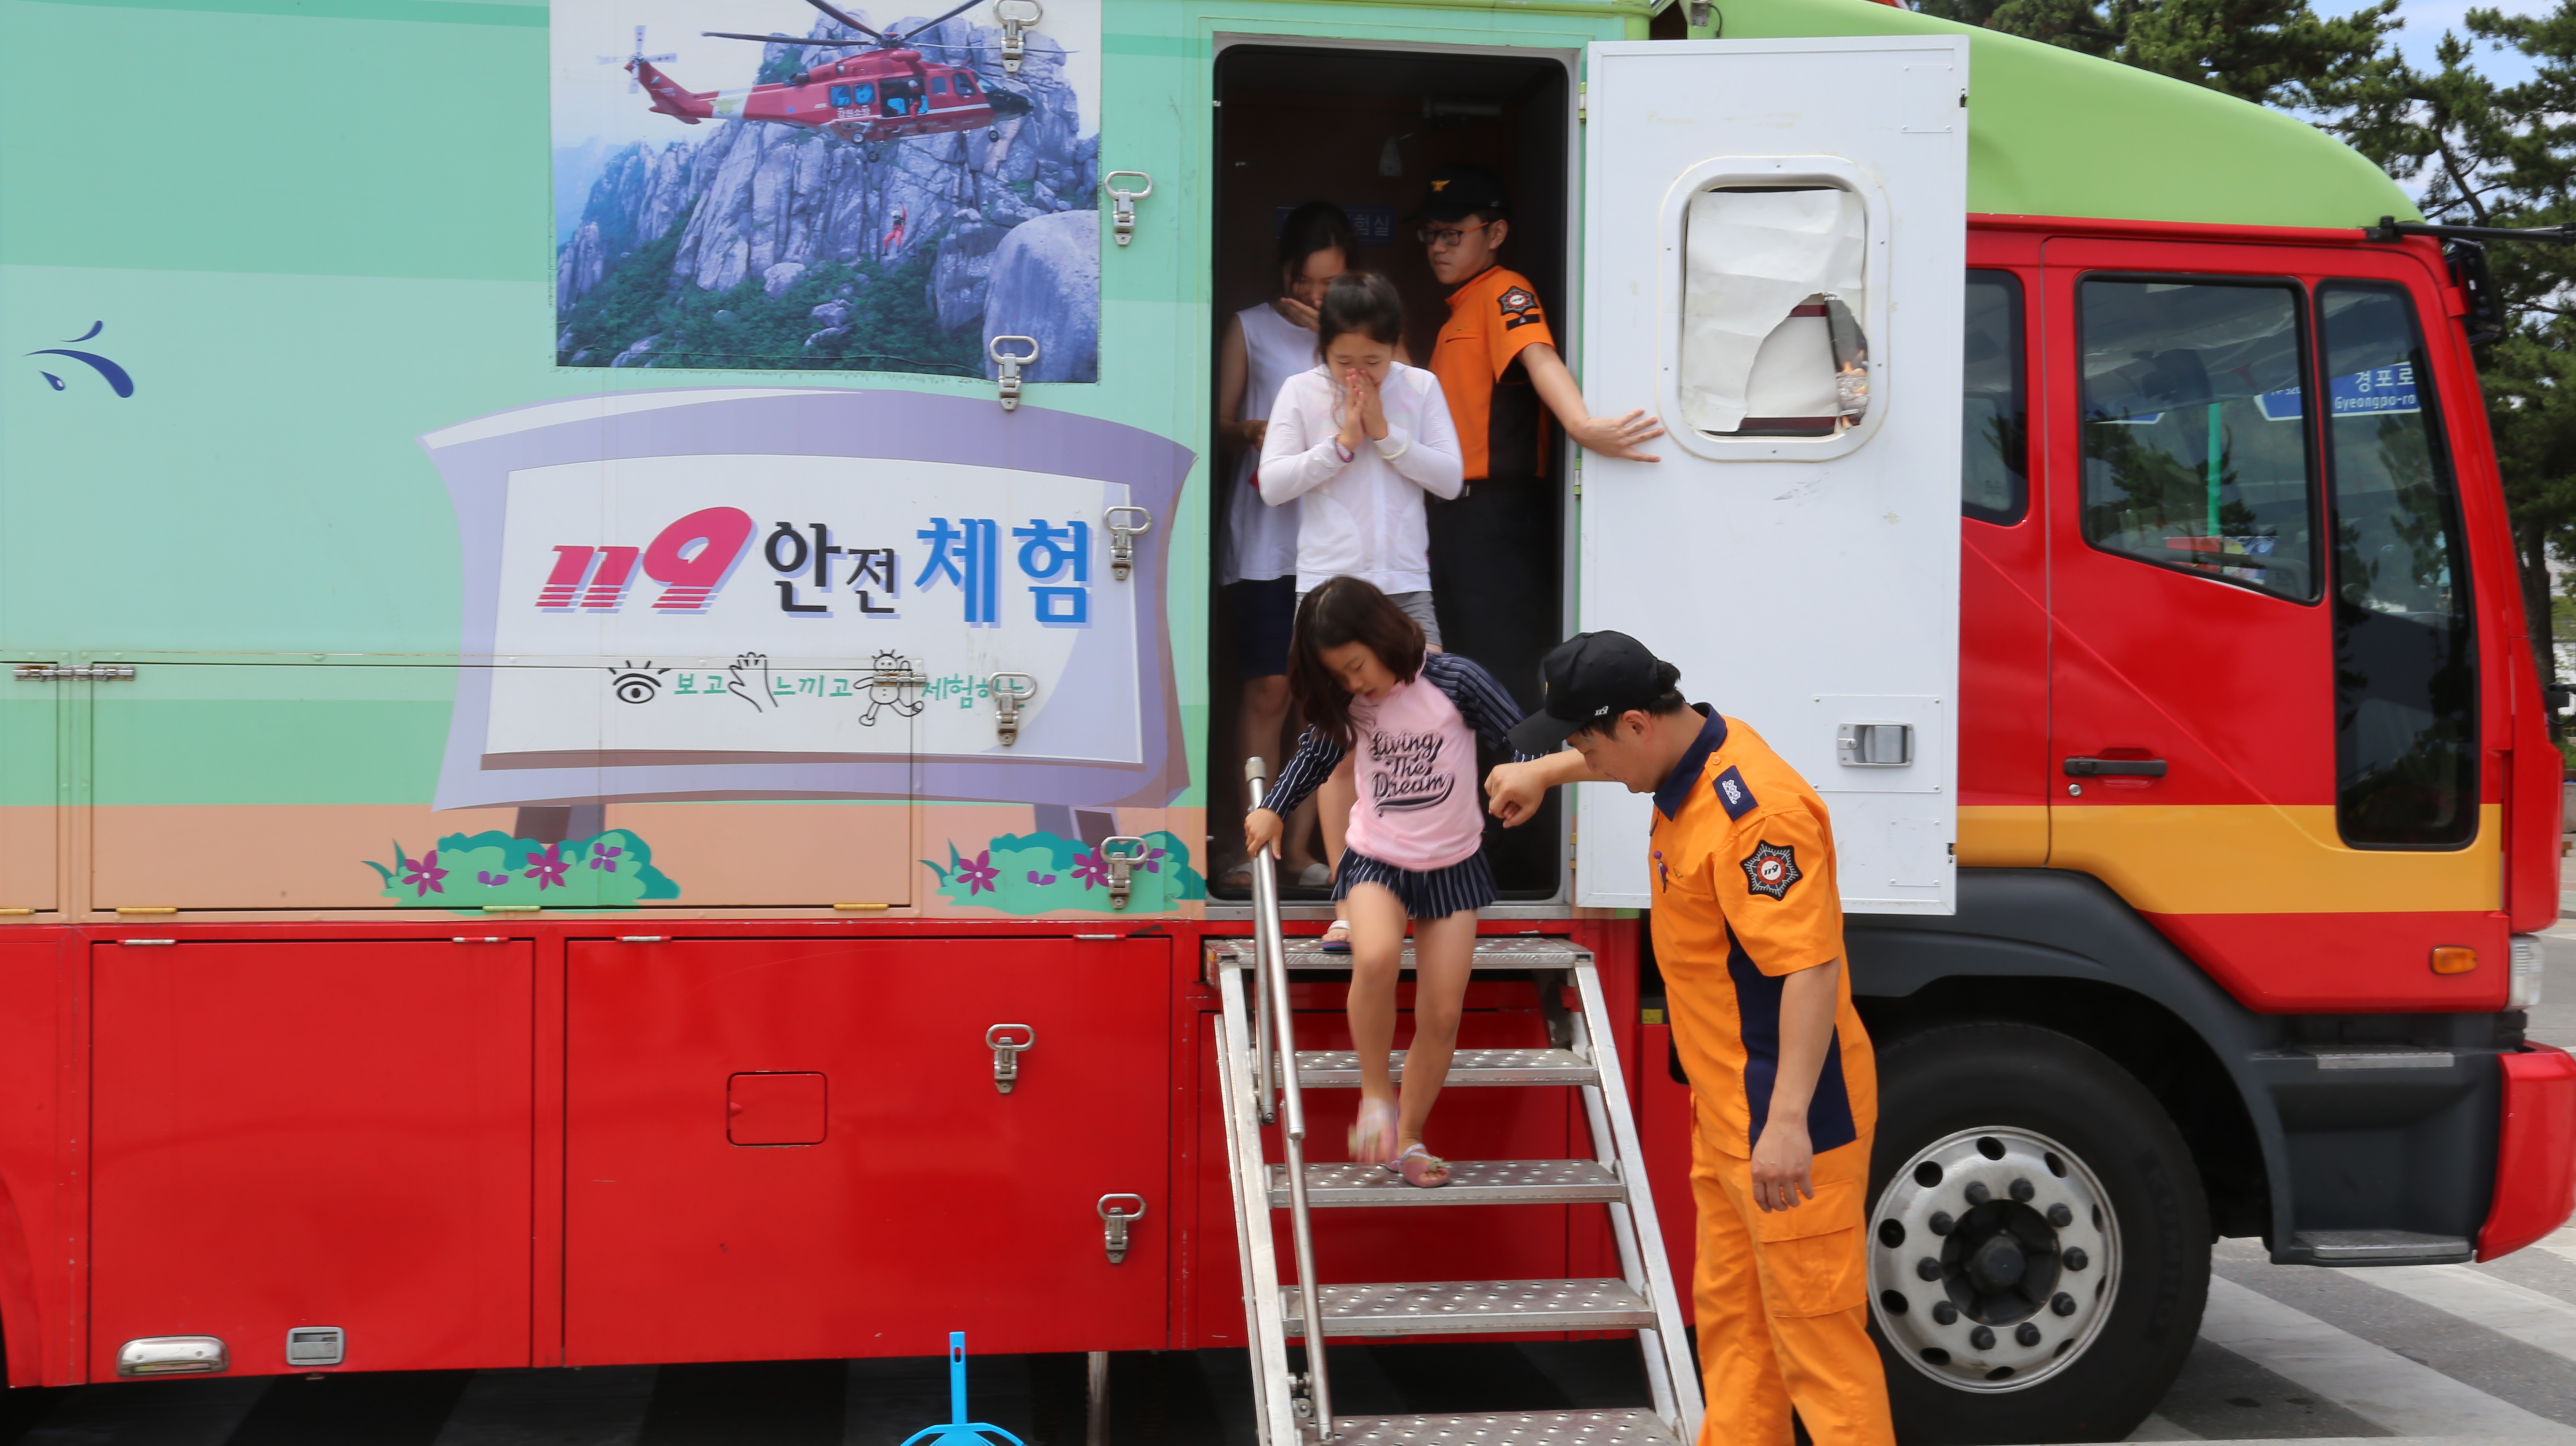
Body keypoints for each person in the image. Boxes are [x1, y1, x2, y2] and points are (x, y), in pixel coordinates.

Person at [1483, 632, 1893, 1446]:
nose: (1587, 762)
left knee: (1819, 1350)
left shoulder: (1755, 817)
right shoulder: (1693, 758)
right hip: (1730, 1112)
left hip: (1789, 1118)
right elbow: (1627, 756)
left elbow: (1809, 969)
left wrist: (1786, 1124)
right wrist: (1546, 771)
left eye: (1586, 746)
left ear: (1636, 724)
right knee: (1737, 1333)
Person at [1245, 577, 1534, 1187]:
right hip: (1378, 858)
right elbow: (1315, 756)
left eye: (1356, 667)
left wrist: (1528, 778)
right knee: (1375, 956)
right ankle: (1375, 1093)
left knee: (1442, 1014)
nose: (1354, 683)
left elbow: (1522, 739)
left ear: (1382, 637)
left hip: (1454, 864)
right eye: (1340, 676)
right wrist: (1273, 808)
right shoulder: (1351, 702)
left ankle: (1408, 1138)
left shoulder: (1456, 680)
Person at [1257, 272, 1465, 946]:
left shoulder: (1420, 388)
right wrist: (1341, 444)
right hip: (1329, 592)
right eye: (1344, 359)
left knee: (1427, 735)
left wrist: (1386, 434)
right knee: (1340, 749)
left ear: (1393, 346)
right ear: (1322, 347)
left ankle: (1421, 887)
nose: (1358, 373)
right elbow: (1272, 484)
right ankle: (1351, 903)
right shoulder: (1300, 392)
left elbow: (1451, 479)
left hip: (1404, 588)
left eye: (1373, 360)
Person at [1415, 163, 1664, 702]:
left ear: (1496, 234)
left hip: (1496, 512)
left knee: (1501, 661)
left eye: (1453, 234)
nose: (1438, 247)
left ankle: (1521, 758)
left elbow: (1538, 354)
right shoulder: (1459, 309)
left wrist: (1580, 424)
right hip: (1457, 515)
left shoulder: (1505, 290)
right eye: (1430, 235)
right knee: (1464, 660)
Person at [1215, 201, 1358, 893]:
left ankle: (1300, 853)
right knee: (1269, 687)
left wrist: (1334, 333)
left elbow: (1403, 399)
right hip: (1266, 537)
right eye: (1306, 280)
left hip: (1337, 540)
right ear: (1285, 272)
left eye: (1331, 283)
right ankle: (1255, 847)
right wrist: (1251, 432)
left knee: (1324, 697)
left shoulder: (1357, 337)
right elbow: (1219, 423)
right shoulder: (1250, 327)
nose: (1316, 294)